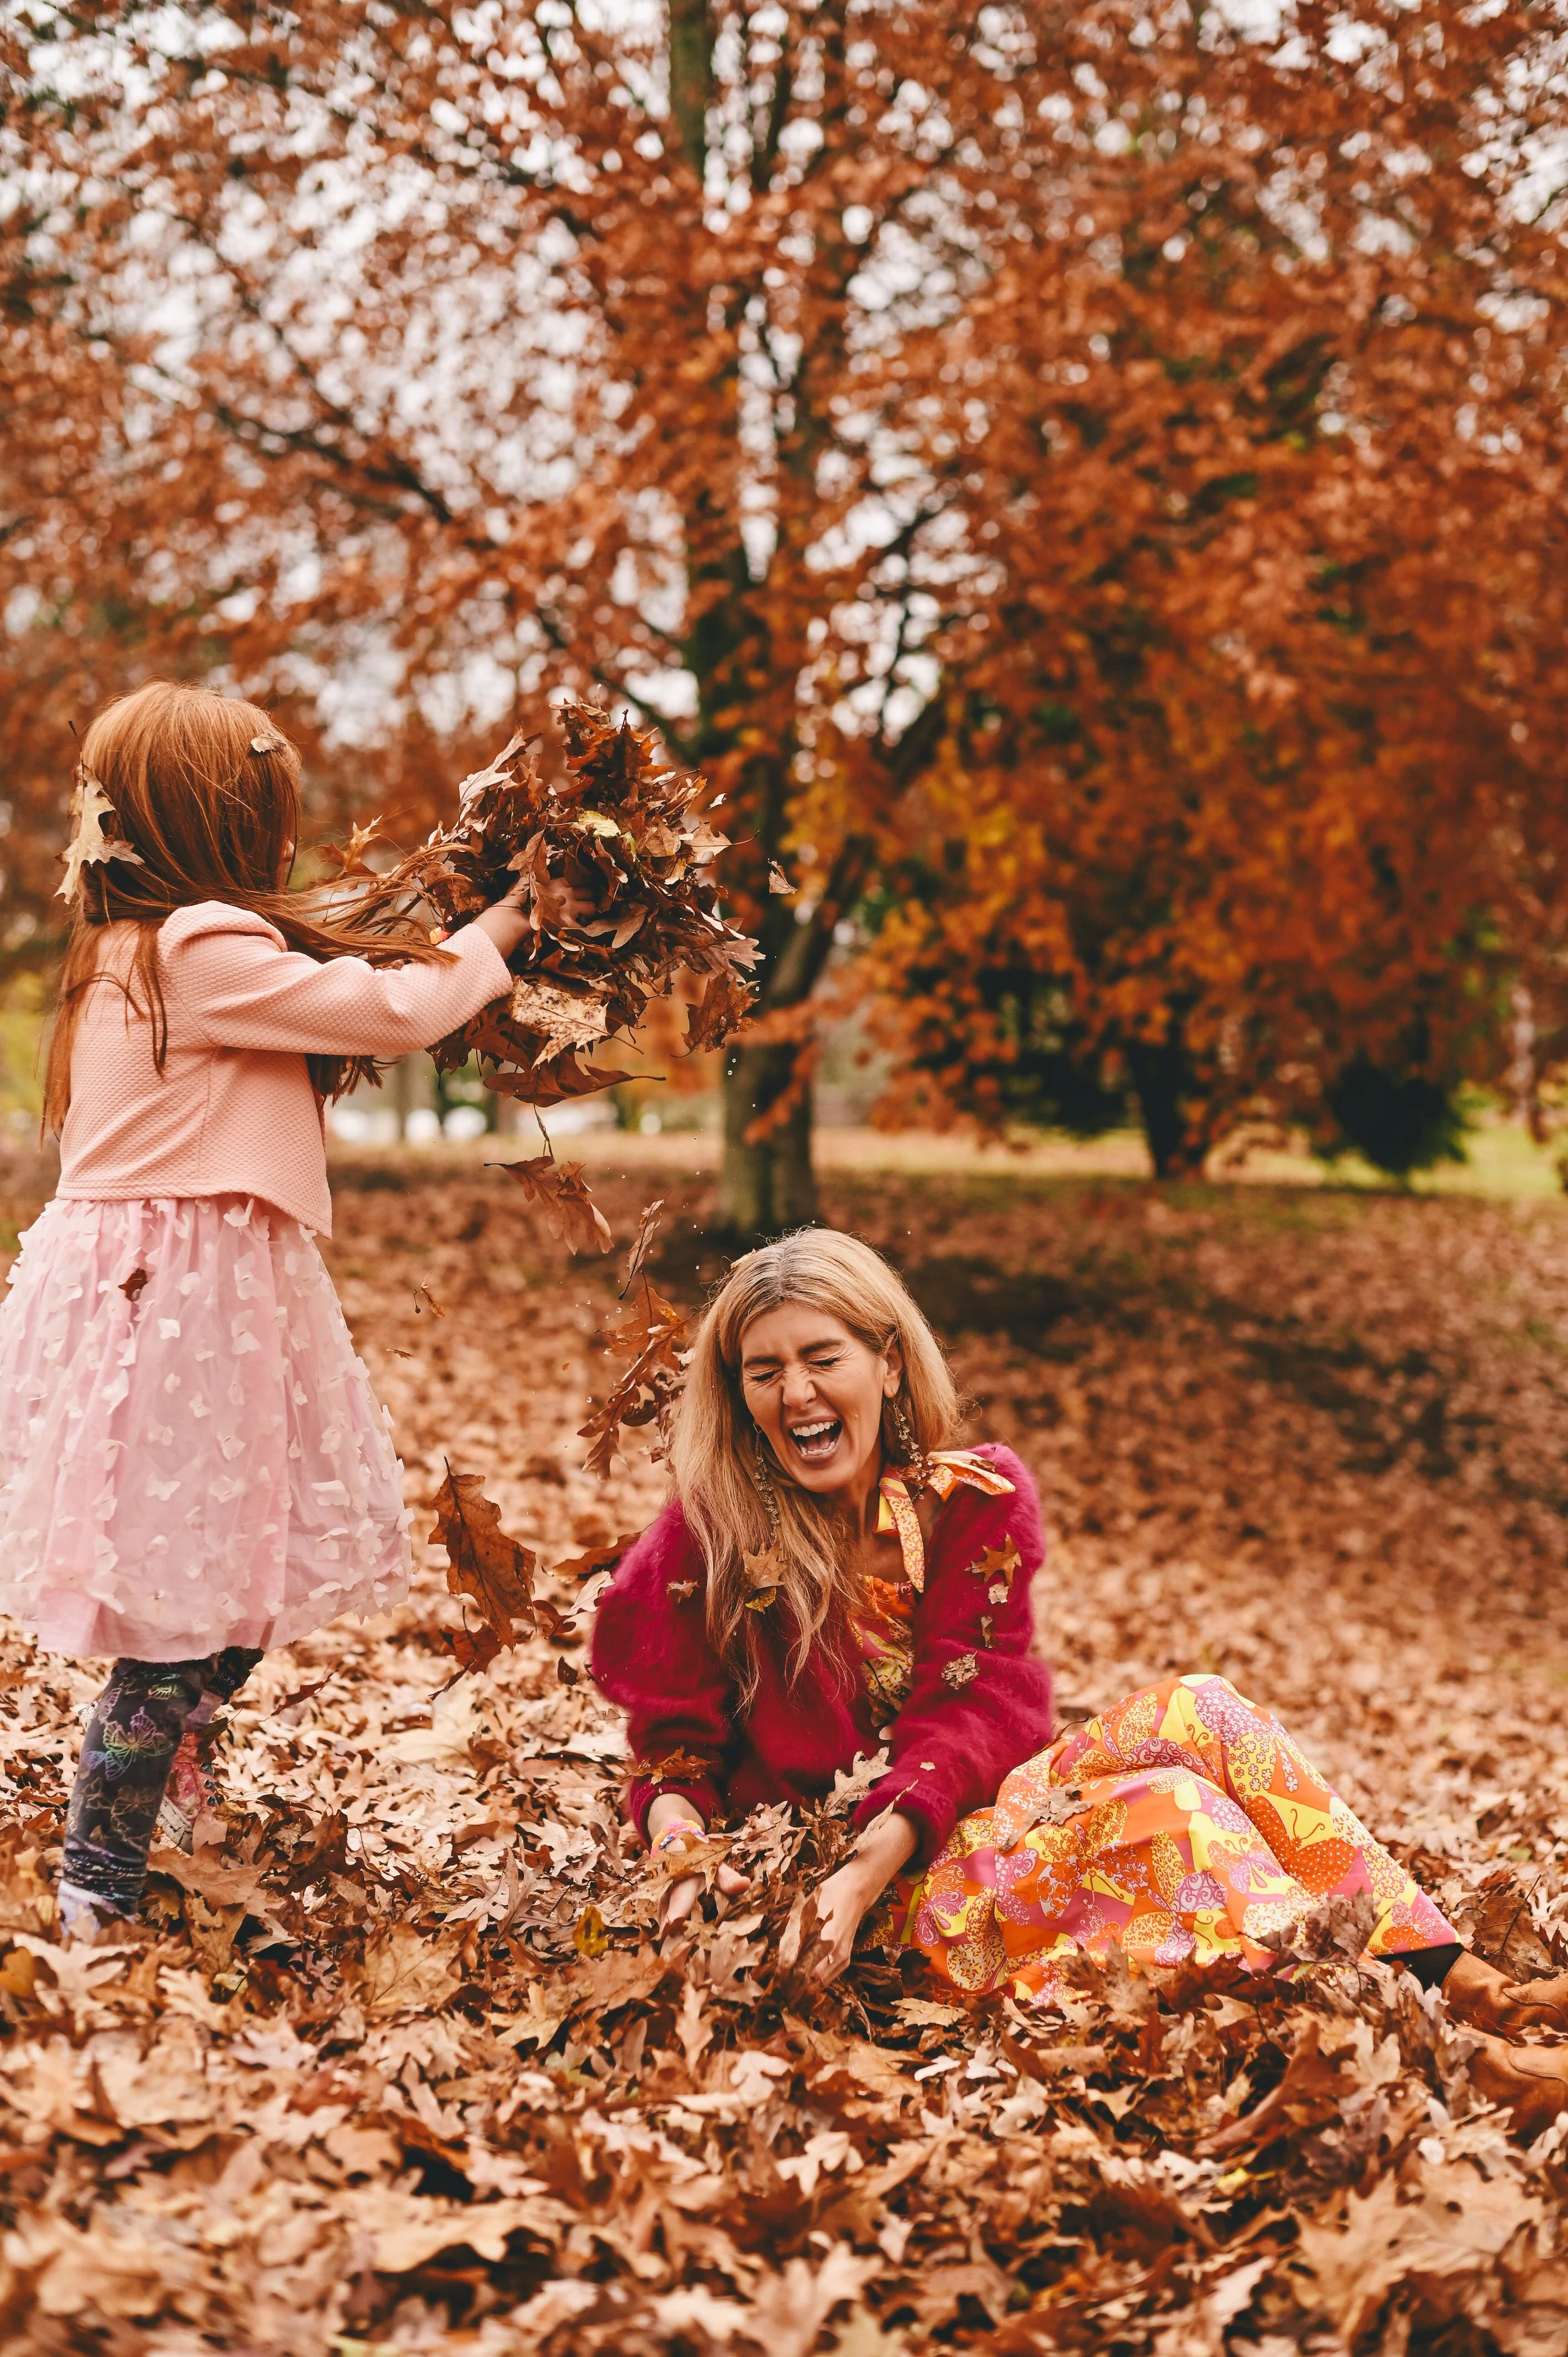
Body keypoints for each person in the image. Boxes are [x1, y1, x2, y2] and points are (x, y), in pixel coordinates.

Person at [593, 1228, 1568, 2137]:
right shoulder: (707, 1538)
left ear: (888, 1364)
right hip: (849, 1896)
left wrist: (887, 1845)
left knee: (1205, 1708)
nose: (796, 1393)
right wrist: (686, 1856)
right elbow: (675, 1754)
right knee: (1173, 1816)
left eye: (822, 1359)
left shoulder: (971, 1499)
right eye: (764, 1373)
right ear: (740, 1395)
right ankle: (1447, 2058)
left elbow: (980, 1704)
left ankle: (1474, 1988)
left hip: (933, 1824)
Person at [0, 679, 529, 1939]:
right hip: (178, 1299)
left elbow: (338, 957)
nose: (284, 850)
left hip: (197, 1291)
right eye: (266, 823)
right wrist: (501, 930)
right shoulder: (193, 951)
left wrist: (433, 897)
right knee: (187, 1606)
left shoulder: (143, 953)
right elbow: (396, 1009)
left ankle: (170, 1761)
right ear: (212, 833)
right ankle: (99, 1877)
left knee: (231, 1571)